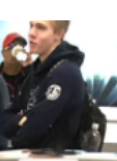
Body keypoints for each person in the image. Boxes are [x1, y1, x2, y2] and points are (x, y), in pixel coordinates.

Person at [5, 20, 86, 151]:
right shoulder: (38, 68)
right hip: (31, 157)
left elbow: (32, 131)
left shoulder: (64, 73)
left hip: (53, 160)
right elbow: (4, 118)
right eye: (31, 26)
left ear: (59, 34)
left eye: (41, 28)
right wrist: (20, 120)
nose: (31, 33)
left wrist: (23, 121)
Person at [0, 32, 30, 102]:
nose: (16, 50)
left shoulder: (30, 75)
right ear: (3, 52)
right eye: (12, 46)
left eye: (21, 47)